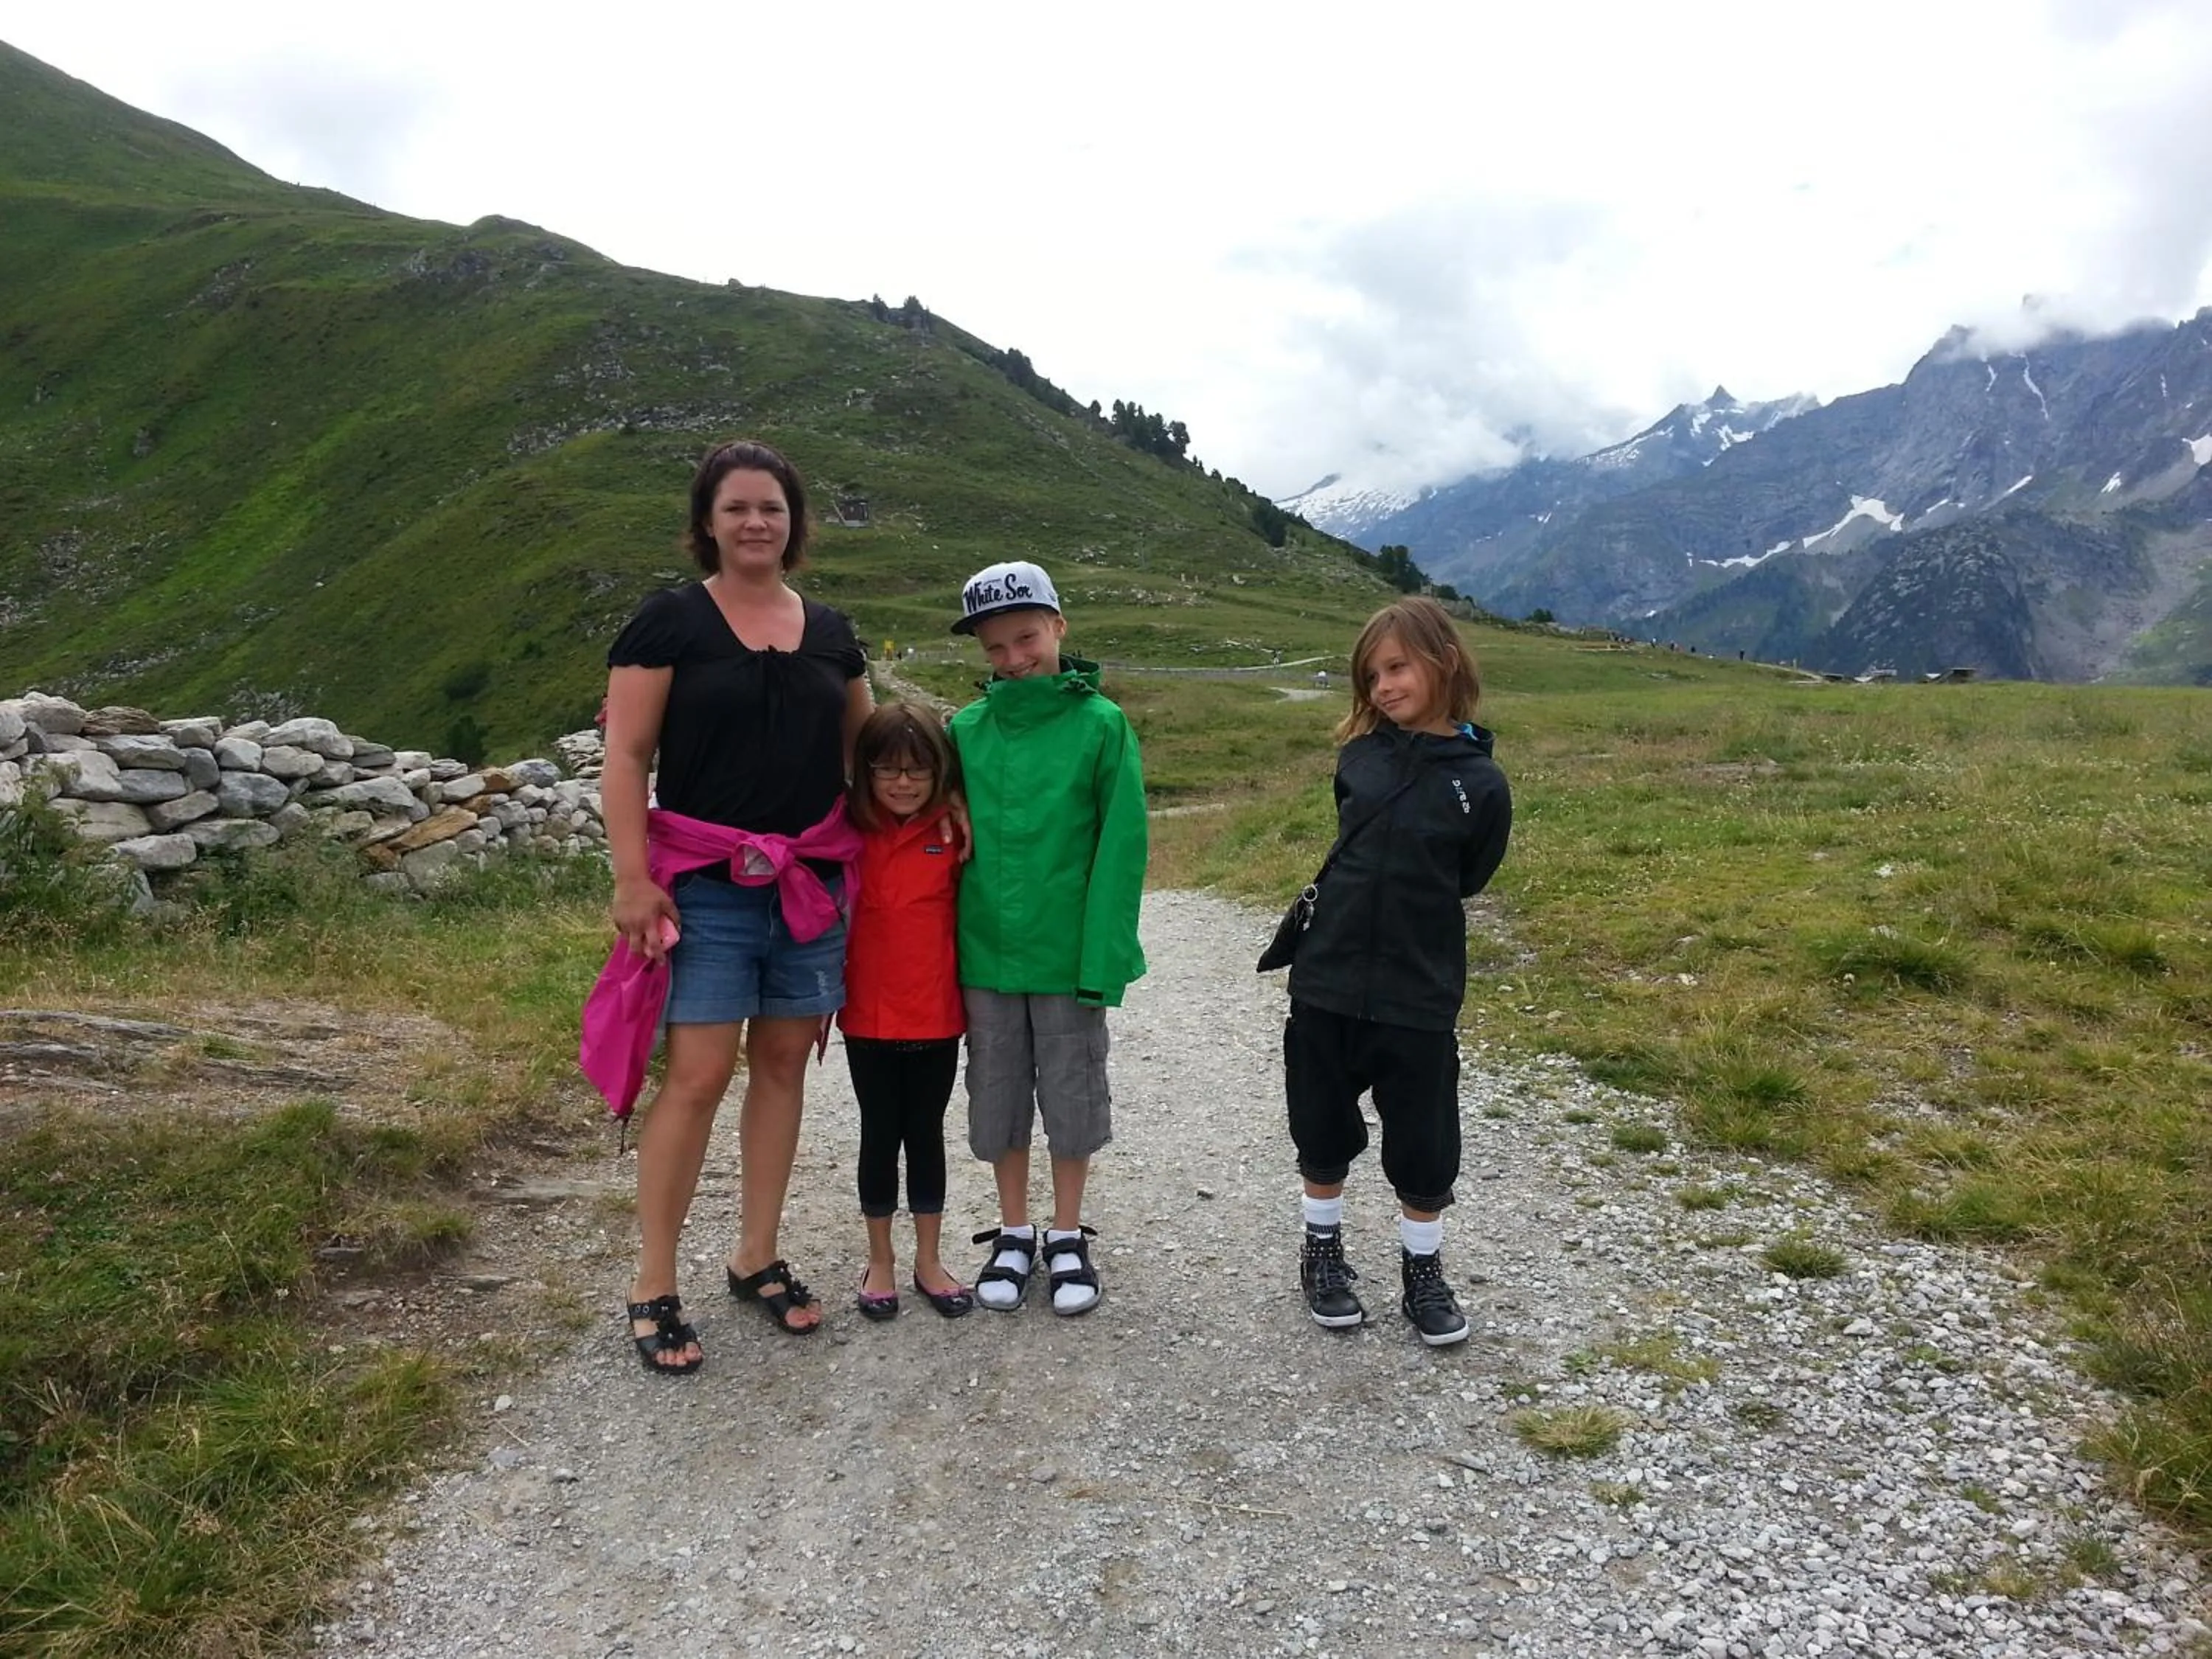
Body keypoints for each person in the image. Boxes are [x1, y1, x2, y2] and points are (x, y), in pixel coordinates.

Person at [596, 438, 872, 1374]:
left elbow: (869, 758)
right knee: (701, 1075)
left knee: (786, 1063)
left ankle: (756, 1255)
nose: (756, 523)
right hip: (703, 888)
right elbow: (627, 758)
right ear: (706, 524)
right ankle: (653, 1280)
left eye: (772, 509)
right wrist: (633, 881)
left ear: (795, 525)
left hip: (807, 887)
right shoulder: (668, 623)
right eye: (737, 508)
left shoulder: (832, 632)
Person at [1284, 596, 1511, 1347]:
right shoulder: (1359, 758)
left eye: (1397, 667)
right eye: (1370, 675)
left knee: (1424, 1140)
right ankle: (1322, 1251)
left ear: (1444, 661)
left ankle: (1423, 1269)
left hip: (1419, 990)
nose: (1382, 686)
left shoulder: (1482, 786)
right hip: (1327, 979)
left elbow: (1468, 877)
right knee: (1321, 1126)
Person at [948, 560, 1147, 1315]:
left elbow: (1121, 849)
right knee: (995, 1095)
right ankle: (1014, 1230)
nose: (1012, 659)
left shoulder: (1103, 725)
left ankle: (1067, 1233)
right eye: (994, 648)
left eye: (1026, 638)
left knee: (1070, 1093)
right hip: (985, 953)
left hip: (1068, 957)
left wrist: (1104, 959)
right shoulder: (965, 730)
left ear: (1059, 626)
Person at [840, 702, 973, 1321]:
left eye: (918, 770)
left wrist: (957, 803)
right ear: (864, 772)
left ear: (939, 773)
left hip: (936, 1016)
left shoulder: (953, 833)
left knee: (925, 1136)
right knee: (877, 1134)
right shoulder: (845, 832)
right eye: (887, 768)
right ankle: (881, 1261)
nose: (902, 782)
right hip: (867, 1018)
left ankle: (927, 1259)